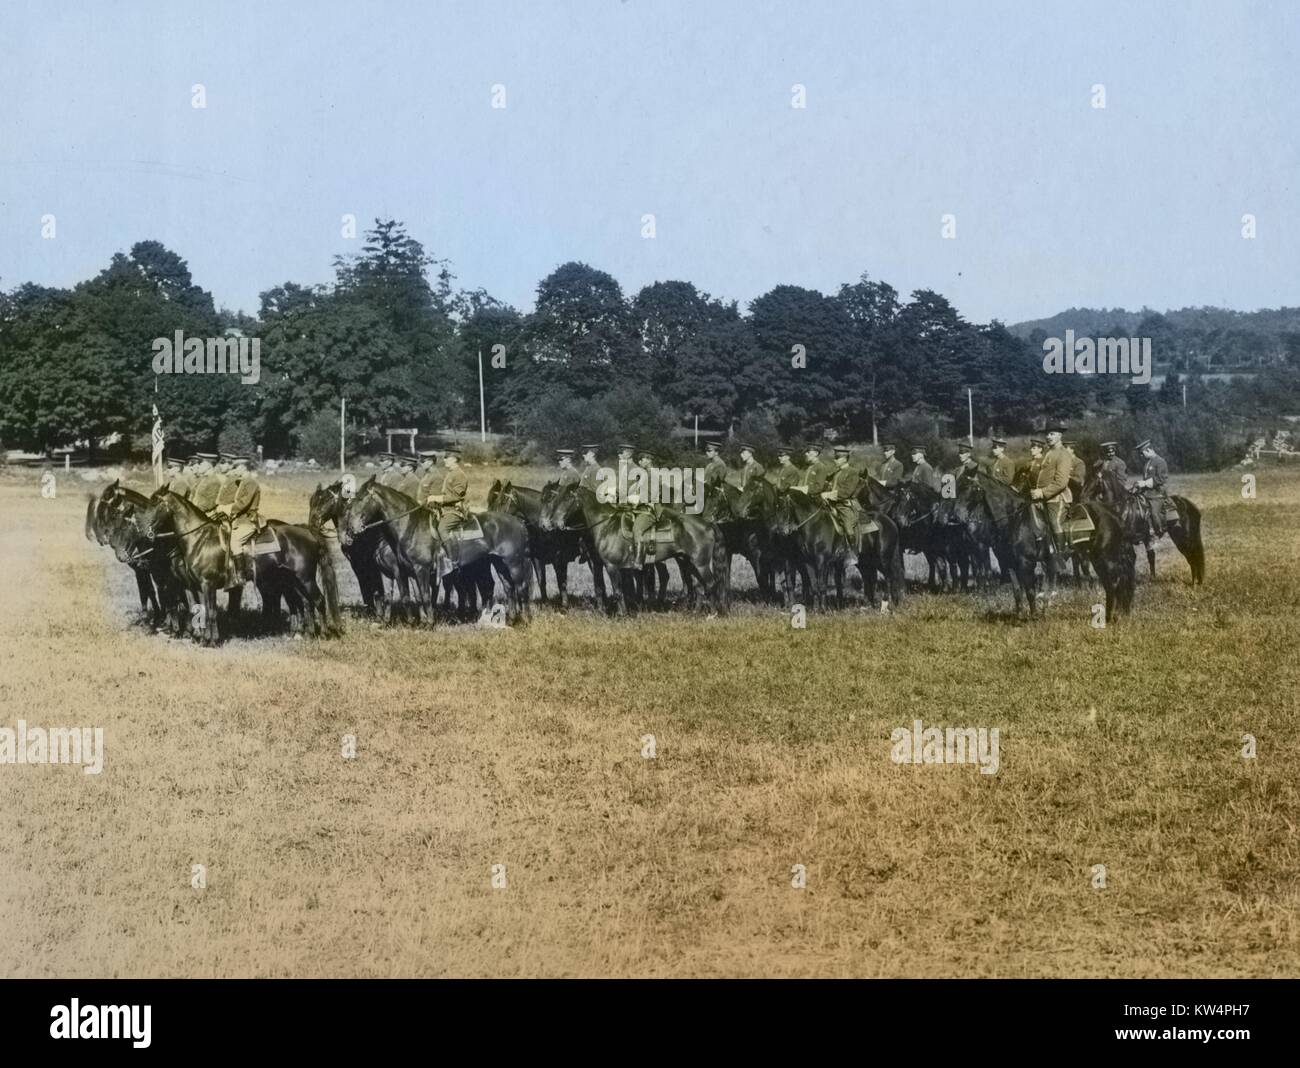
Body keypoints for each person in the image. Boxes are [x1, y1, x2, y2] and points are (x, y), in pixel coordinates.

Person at [1029, 426, 1073, 556]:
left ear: (1060, 436)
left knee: (1055, 522)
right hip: (1042, 497)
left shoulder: (1063, 454)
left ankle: (1061, 553)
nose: (1048, 437)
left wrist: (1042, 492)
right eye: (1047, 434)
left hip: (1057, 498)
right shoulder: (1049, 452)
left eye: (1052, 434)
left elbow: (1061, 482)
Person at [227, 456, 262, 582]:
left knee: (234, 542)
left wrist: (228, 509)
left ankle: (241, 575)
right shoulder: (242, 482)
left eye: (236, 467)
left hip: (248, 520)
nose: (234, 470)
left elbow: (243, 503)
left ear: (243, 467)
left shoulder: (250, 482)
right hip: (239, 519)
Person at [820, 444, 862, 539]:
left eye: (837, 458)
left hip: (844, 505)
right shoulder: (836, 472)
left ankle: (852, 550)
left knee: (848, 529)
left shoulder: (852, 472)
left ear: (844, 459)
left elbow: (847, 492)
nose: (834, 460)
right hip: (831, 503)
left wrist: (828, 494)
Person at [425, 448, 470, 534]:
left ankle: (452, 548)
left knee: (442, 529)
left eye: (446, 457)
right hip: (445, 510)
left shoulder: (459, 474)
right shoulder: (450, 473)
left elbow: (457, 496)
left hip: (455, 511)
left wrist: (437, 498)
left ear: (454, 459)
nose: (444, 459)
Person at [1132, 438, 1171, 535]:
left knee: (1154, 513)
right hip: (1147, 492)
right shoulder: (1148, 462)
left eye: (1142, 453)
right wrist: (1139, 485)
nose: (1142, 456)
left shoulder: (1160, 461)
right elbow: (1146, 478)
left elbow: (1162, 479)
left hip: (1157, 493)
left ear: (1149, 450)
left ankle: (1158, 531)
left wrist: (1144, 483)